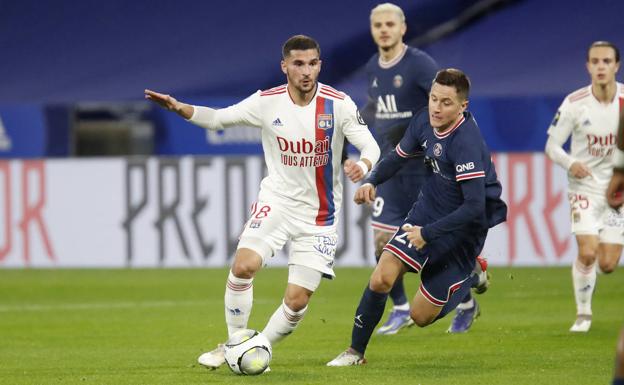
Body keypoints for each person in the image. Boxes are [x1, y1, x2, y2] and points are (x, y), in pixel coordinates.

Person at [145, 35, 380, 369]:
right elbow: (218, 119)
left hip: (320, 216)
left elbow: (371, 146)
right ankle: (234, 342)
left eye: (312, 63)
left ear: (320, 65)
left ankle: (252, 350)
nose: (306, 71)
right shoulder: (266, 102)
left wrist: (364, 165)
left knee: (297, 302)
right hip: (277, 202)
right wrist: (179, 108)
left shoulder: (338, 103)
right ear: (284, 66)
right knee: (243, 266)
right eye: (298, 63)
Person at [327, 68, 507, 366]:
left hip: (464, 229)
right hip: (427, 210)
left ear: (463, 106)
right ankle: (355, 352)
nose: (436, 107)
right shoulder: (424, 118)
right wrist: (372, 180)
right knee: (382, 277)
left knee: (420, 316)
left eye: (446, 102)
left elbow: (474, 208)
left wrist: (428, 234)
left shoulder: (466, 143)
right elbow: (398, 157)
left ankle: (473, 274)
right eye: (434, 98)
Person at [545, 41, 623, 333]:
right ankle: (583, 313)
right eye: (595, 61)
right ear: (588, 66)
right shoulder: (575, 103)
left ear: (616, 65)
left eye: (606, 61)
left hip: (618, 192)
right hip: (584, 188)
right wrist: (570, 163)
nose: (600, 66)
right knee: (588, 253)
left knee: (608, 264)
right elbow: (552, 146)